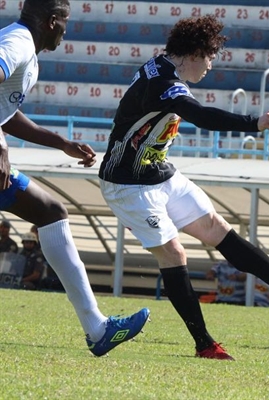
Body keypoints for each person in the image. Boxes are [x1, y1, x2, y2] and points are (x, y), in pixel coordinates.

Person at [97, 15, 269, 361]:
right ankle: (204, 344)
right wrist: (254, 122)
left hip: (158, 173)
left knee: (217, 229)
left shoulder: (162, 67)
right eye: (209, 56)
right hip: (127, 183)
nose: (211, 64)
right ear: (193, 53)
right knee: (175, 254)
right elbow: (203, 116)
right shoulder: (164, 84)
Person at [0, 0, 149, 357]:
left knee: (50, 212)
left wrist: (60, 142)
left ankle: (98, 329)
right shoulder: (17, 43)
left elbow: (6, 110)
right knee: (49, 211)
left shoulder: (24, 48)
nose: (67, 31)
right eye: (65, 22)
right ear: (53, 21)